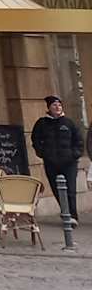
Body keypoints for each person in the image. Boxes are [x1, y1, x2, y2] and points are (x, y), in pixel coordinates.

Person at [32, 96, 83, 226]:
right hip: (51, 162)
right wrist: (42, 153)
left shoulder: (68, 123)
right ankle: (65, 213)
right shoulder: (42, 123)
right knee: (56, 189)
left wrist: (75, 154)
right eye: (54, 105)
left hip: (69, 163)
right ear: (49, 108)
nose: (57, 107)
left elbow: (78, 140)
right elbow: (35, 139)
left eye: (59, 105)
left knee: (70, 189)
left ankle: (73, 216)